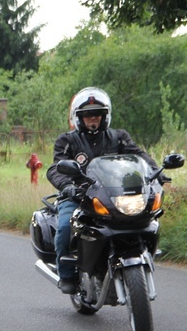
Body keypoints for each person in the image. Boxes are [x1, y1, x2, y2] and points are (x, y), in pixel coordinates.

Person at [48, 87, 162, 294]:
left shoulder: (119, 137)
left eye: (98, 114)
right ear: (78, 117)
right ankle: (66, 274)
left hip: (111, 195)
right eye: (88, 115)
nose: (93, 119)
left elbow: (138, 156)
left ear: (105, 116)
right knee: (65, 227)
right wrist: (67, 186)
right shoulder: (67, 140)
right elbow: (56, 167)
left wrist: (156, 172)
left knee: (145, 218)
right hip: (79, 195)